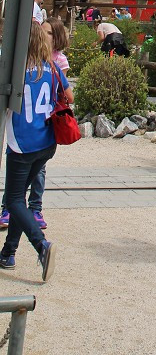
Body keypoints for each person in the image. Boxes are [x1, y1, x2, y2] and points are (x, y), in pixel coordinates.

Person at [0, 22, 70, 279]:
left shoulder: (15, 71)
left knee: (13, 200)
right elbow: (69, 96)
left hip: (22, 143)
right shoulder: (51, 67)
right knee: (19, 199)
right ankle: (8, 252)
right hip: (46, 142)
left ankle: (42, 245)